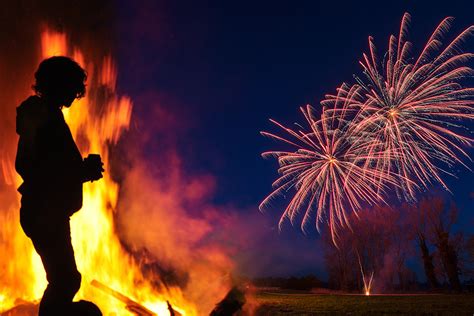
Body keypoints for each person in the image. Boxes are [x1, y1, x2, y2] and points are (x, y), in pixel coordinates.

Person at [15, 56, 104, 315]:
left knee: (66, 279)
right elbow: (29, 165)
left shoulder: (49, 116)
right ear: (57, 83)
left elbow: (52, 165)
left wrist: (81, 171)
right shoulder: (40, 114)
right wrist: (80, 172)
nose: (75, 95)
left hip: (49, 212)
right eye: (72, 87)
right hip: (43, 212)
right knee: (65, 280)